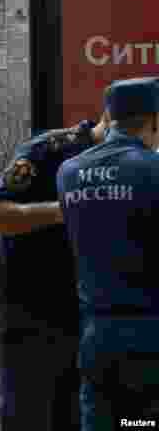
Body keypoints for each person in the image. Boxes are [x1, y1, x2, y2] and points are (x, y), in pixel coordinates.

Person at [0, 104, 109, 431]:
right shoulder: (47, 151)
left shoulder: (126, 168)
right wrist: (65, 210)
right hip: (26, 318)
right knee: (26, 420)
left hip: (79, 322)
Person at [56, 77, 159, 428]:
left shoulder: (69, 172)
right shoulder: (152, 168)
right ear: (154, 119)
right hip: (148, 338)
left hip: (95, 337)